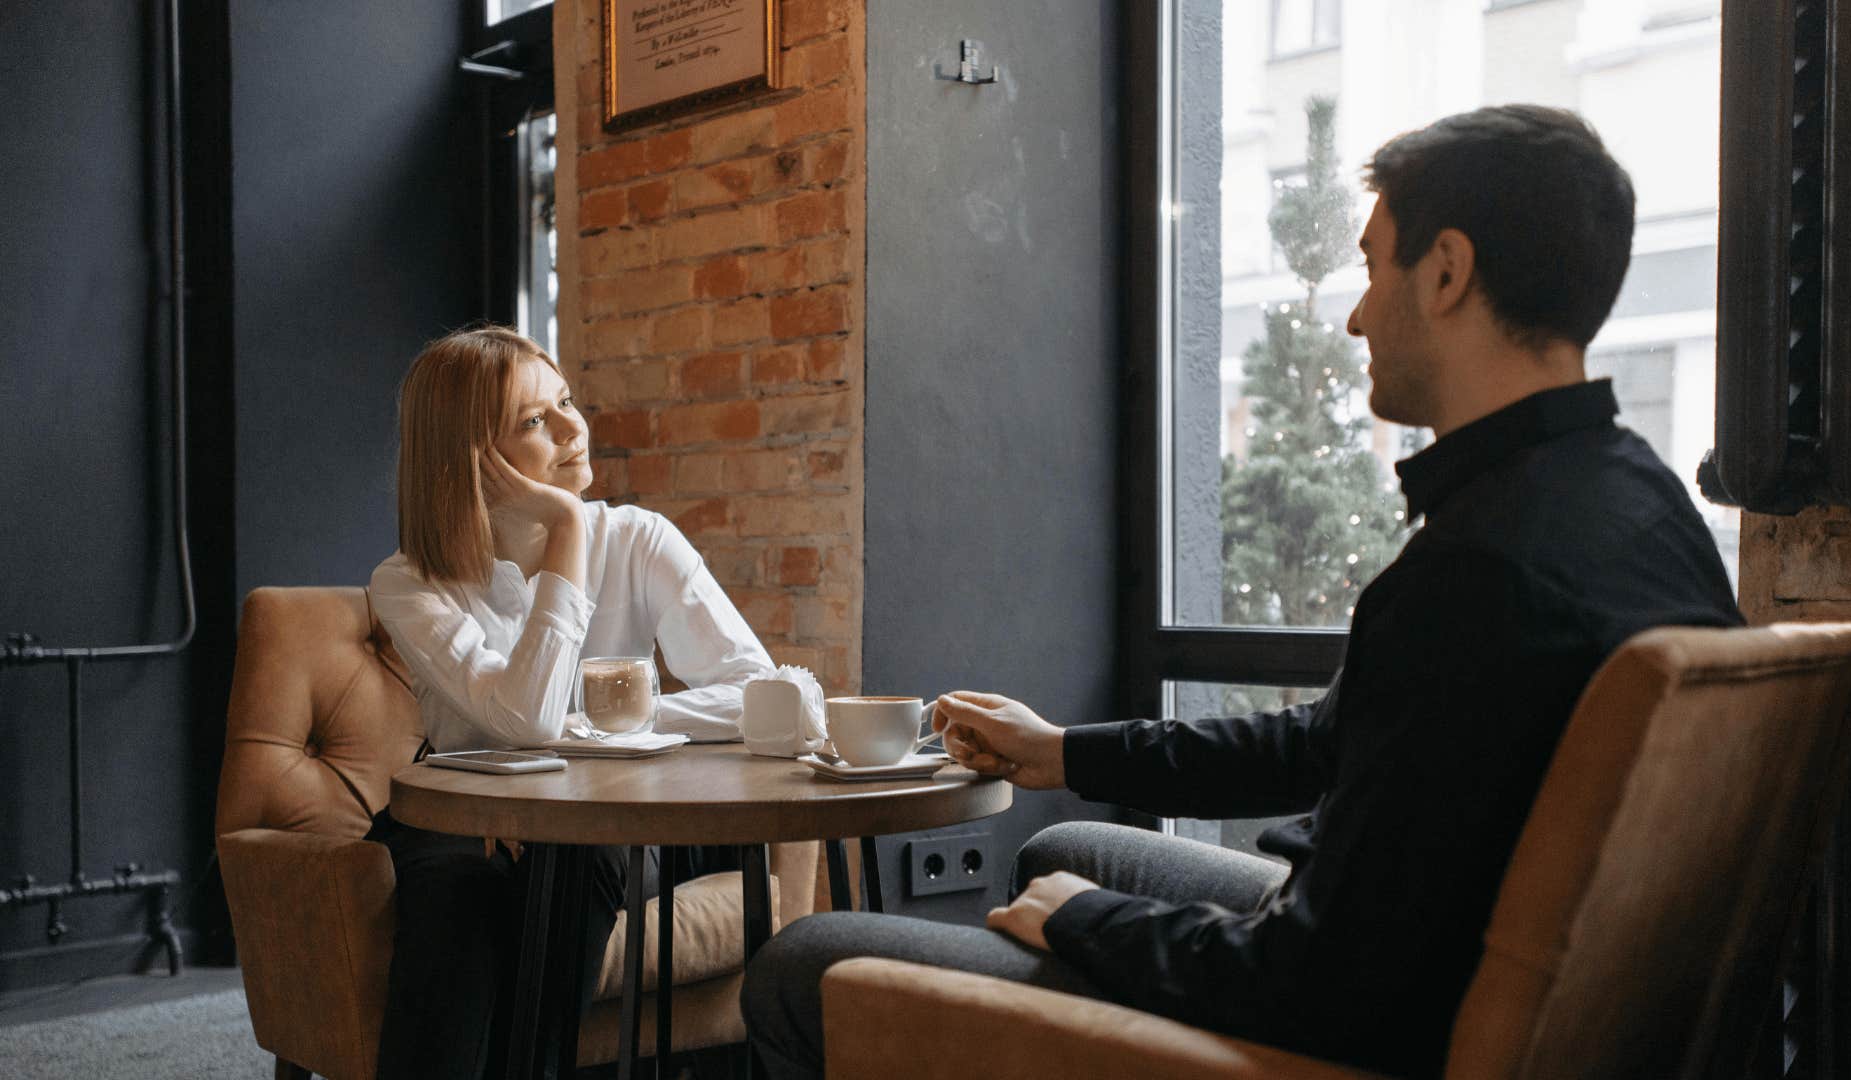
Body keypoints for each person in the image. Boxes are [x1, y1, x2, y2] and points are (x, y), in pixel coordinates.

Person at [741, 105, 1741, 1078]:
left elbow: (1320, 986)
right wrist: (1064, 751)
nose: (1355, 316)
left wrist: (1089, 922)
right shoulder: (1641, 504)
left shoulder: (1480, 573)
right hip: (1439, 970)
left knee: (803, 962)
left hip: (1340, 1018)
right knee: (1061, 845)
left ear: (1445, 272)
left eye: (1368, 264)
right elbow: (1326, 747)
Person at [366, 325, 776, 1079]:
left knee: (580, 861)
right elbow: (526, 718)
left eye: (565, 402)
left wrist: (603, 729)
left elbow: (758, 690)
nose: (571, 428)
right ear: (471, 462)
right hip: (463, 817)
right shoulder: (409, 582)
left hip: (615, 823)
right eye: (532, 421)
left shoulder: (639, 540)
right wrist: (563, 529)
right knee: (461, 889)